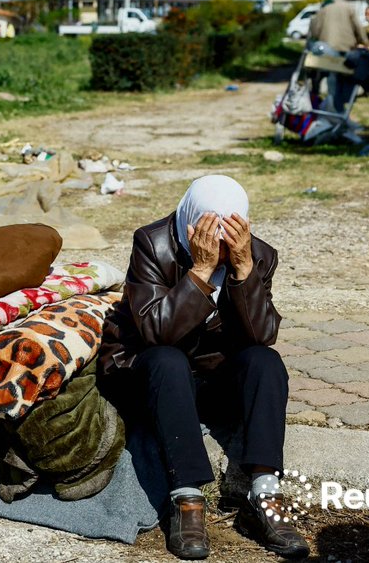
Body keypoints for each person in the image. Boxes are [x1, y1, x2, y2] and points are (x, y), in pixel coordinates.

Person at [100, 175, 308, 561]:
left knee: (265, 361)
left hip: (211, 380)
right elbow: (156, 331)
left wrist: (244, 269)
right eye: (211, 229)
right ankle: (187, 498)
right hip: (152, 376)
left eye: (230, 232)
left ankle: (264, 493)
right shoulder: (153, 243)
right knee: (168, 358)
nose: (221, 243)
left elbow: (262, 334)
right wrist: (199, 271)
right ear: (191, 222)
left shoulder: (258, 254)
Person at [307, 0, 368, 113]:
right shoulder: (349, 7)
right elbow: (358, 27)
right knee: (345, 78)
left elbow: (315, 30)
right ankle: (339, 107)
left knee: (332, 79)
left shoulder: (324, 9)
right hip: (346, 49)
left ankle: (333, 108)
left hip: (328, 50)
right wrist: (364, 42)